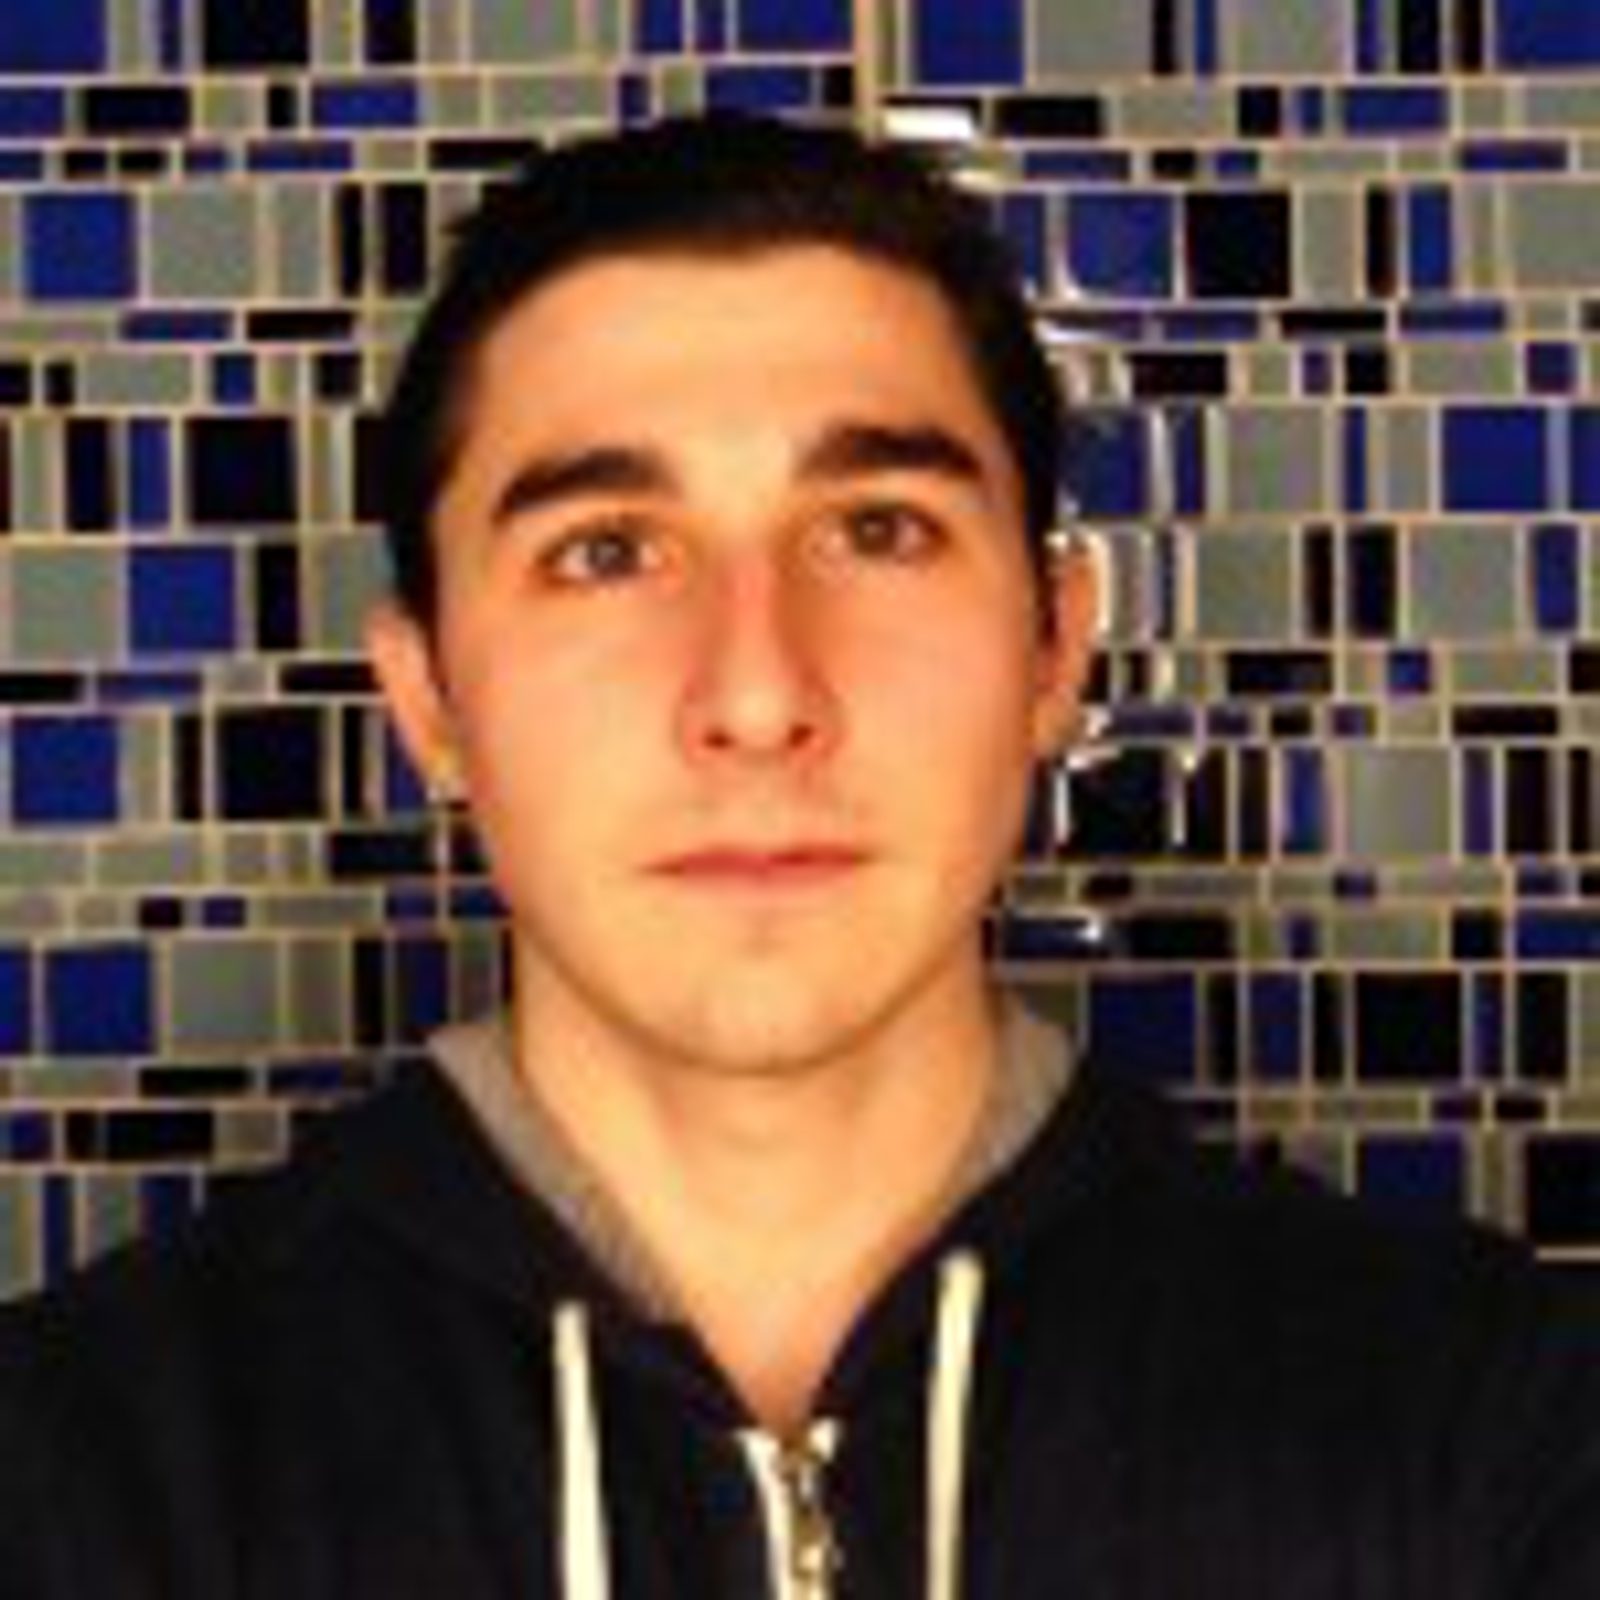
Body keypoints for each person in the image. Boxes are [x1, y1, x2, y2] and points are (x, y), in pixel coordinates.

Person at [0, 112, 1594, 1599]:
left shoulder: (1496, 1436)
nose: (758, 694)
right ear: (430, 702)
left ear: (1055, 650)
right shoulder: (73, 1478)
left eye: (879, 529)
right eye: (605, 553)